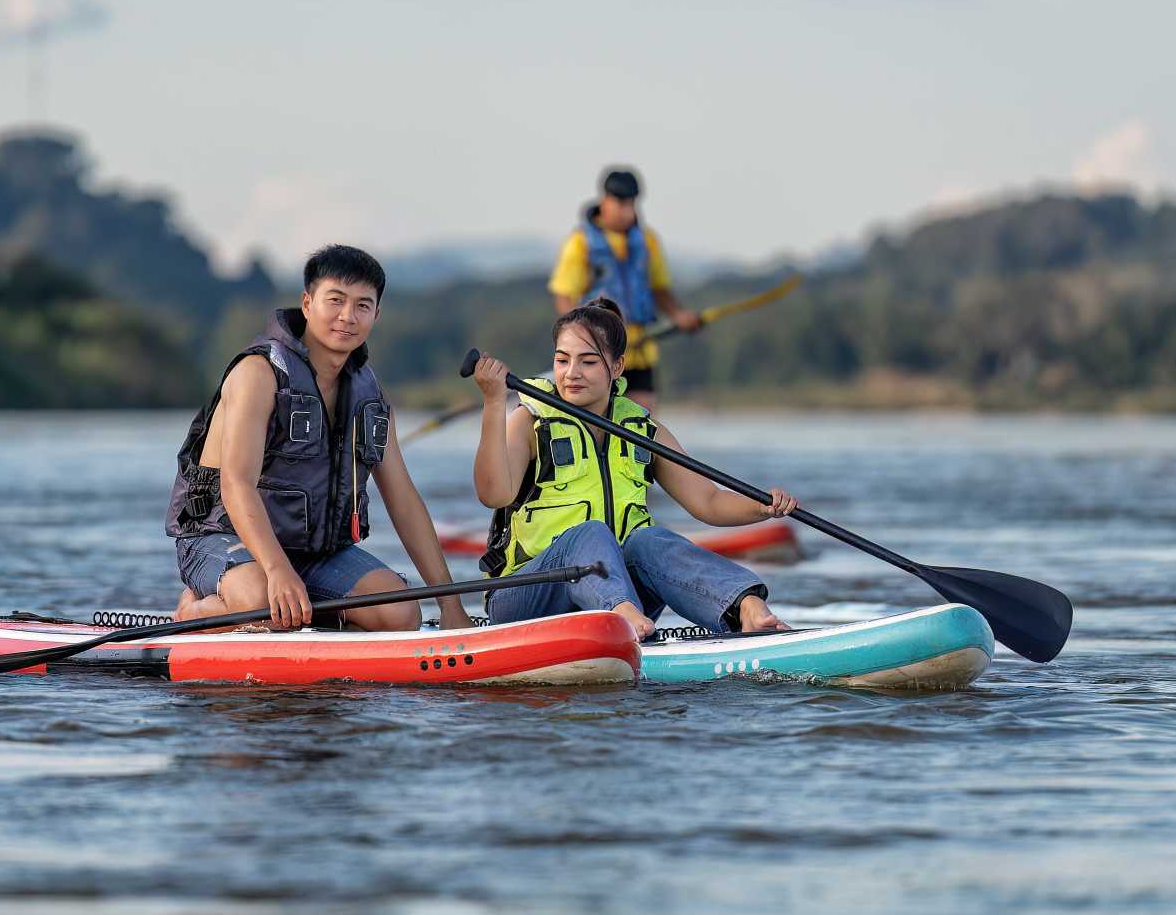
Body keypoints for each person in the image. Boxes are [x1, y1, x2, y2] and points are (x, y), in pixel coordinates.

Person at [167, 244, 470, 632]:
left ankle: (300, 610)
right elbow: (236, 483)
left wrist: (450, 604)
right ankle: (196, 611)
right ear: (308, 303)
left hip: (313, 552)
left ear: (376, 315)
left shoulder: (370, 395)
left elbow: (405, 501)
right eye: (336, 300)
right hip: (218, 536)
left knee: (400, 614)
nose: (347, 317)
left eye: (362, 305)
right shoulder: (258, 374)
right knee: (261, 604)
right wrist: (277, 570)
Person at [467, 298, 796, 641]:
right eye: (562, 360)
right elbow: (493, 493)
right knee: (591, 533)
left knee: (649, 539)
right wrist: (493, 403)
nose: (571, 373)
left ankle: (744, 607)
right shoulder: (529, 420)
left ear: (618, 366)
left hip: (618, 598)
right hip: (526, 597)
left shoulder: (640, 427)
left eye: (588, 362)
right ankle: (621, 616)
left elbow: (708, 501)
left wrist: (763, 507)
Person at [547, 165, 701, 412]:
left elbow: (660, 289)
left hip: (639, 348)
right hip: (600, 349)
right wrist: (580, 339)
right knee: (601, 417)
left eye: (631, 204)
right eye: (620, 203)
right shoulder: (581, 243)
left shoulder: (647, 241)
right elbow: (564, 296)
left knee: (642, 419)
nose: (626, 211)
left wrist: (679, 316)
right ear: (605, 201)